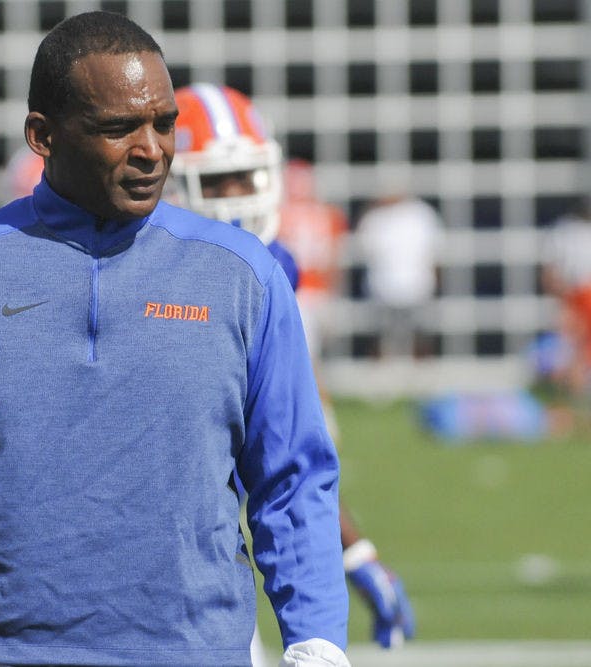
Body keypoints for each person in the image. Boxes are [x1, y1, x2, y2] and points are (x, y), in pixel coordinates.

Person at [0, 11, 349, 667]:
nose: (152, 148)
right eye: (118, 127)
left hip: (192, 653)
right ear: (43, 135)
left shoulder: (244, 274)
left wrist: (317, 635)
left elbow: (293, 478)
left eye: (163, 122)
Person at [169, 83, 414, 652]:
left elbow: (292, 455)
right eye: (215, 181)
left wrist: (353, 551)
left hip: (205, 582)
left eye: (247, 177)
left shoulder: (264, 277)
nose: (237, 198)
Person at [354, 193, 444, 360]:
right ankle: (384, 372)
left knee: (419, 336)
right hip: (383, 287)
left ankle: (419, 373)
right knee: (383, 336)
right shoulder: (375, 217)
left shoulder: (421, 213)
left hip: (417, 285)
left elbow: (434, 254)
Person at [541, 201, 591, 396]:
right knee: (579, 347)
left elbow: (550, 273)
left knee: (575, 346)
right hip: (580, 292)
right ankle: (573, 392)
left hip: (574, 293)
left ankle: (572, 392)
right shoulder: (569, 231)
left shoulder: (562, 231)